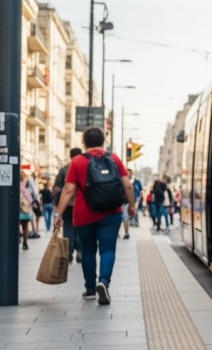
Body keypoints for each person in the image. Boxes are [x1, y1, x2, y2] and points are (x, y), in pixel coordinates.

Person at [54, 127, 136, 305]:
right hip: (111, 213)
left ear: (84, 143)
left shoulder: (77, 161)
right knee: (108, 250)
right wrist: (131, 206)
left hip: (84, 214)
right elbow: (127, 184)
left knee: (88, 251)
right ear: (103, 141)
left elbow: (68, 190)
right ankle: (104, 281)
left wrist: (58, 214)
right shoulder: (113, 158)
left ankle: (90, 289)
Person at [54, 148, 84, 262]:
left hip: (67, 205)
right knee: (81, 228)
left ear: (70, 156)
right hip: (81, 205)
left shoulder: (64, 170)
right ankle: (80, 252)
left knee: (68, 228)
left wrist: (57, 204)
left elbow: (57, 189)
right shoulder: (84, 168)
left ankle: (69, 252)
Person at [19, 171, 34, 250]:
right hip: (24, 210)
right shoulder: (23, 187)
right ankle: (25, 243)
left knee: (16, 226)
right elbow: (29, 199)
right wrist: (32, 203)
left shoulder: (13, 185)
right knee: (25, 227)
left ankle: (17, 237)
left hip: (16, 210)